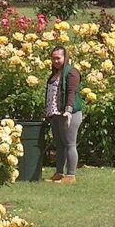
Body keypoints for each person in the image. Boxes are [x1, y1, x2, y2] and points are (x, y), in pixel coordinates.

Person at [45, 46, 83, 184]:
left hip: (69, 114)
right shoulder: (54, 74)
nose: (55, 61)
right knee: (59, 145)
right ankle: (59, 173)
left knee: (70, 144)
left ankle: (71, 175)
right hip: (55, 114)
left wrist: (68, 110)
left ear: (65, 58)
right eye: (53, 58)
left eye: (58, 58)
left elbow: (71, 92)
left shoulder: (71, 73)